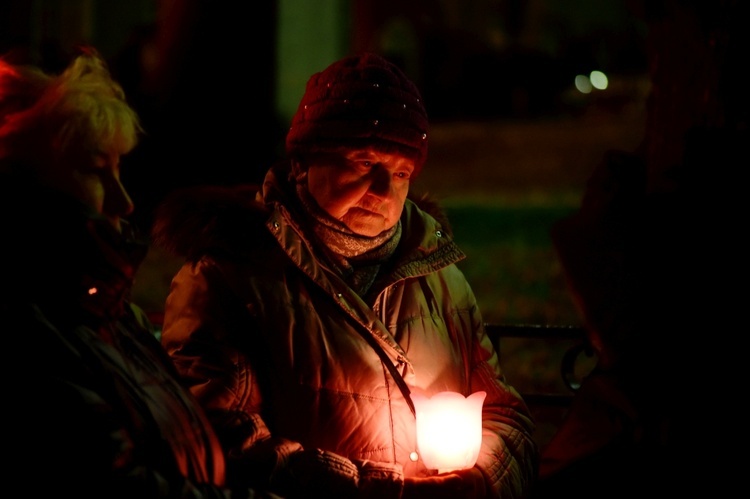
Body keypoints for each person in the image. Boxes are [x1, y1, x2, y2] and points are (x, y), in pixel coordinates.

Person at [152, 52, 538, 498]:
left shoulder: (441, 278)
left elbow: (508, 418)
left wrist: (480, 482)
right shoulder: (229, 279)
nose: (383, 191)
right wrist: (381, 492)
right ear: (302, 163)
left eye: (400, 172)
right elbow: (221, 442)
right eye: (363, 162)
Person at [0, 47, 277, 498]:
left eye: (118, 168)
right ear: (22, 187)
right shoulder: (30, 327)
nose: (124, 200)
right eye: (94, 170)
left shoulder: (106, 310)